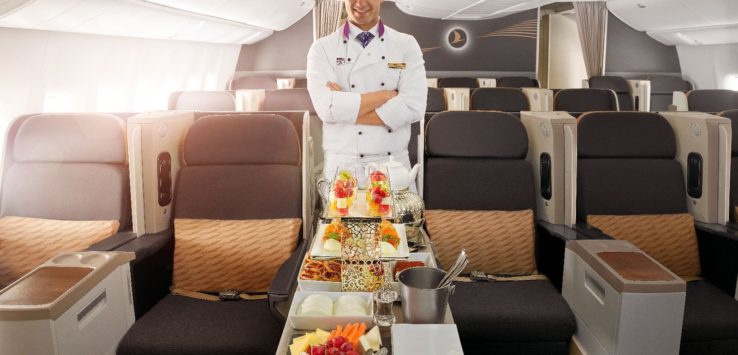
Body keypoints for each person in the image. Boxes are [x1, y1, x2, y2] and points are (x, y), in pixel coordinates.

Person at [307, 0, 427, 188]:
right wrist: (386, 96)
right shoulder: (322, 48)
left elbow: (414, 106)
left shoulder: (405, 44)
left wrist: (345, 108)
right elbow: (327, 109)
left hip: (392, 167)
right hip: (343, 170)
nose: (360, 3)